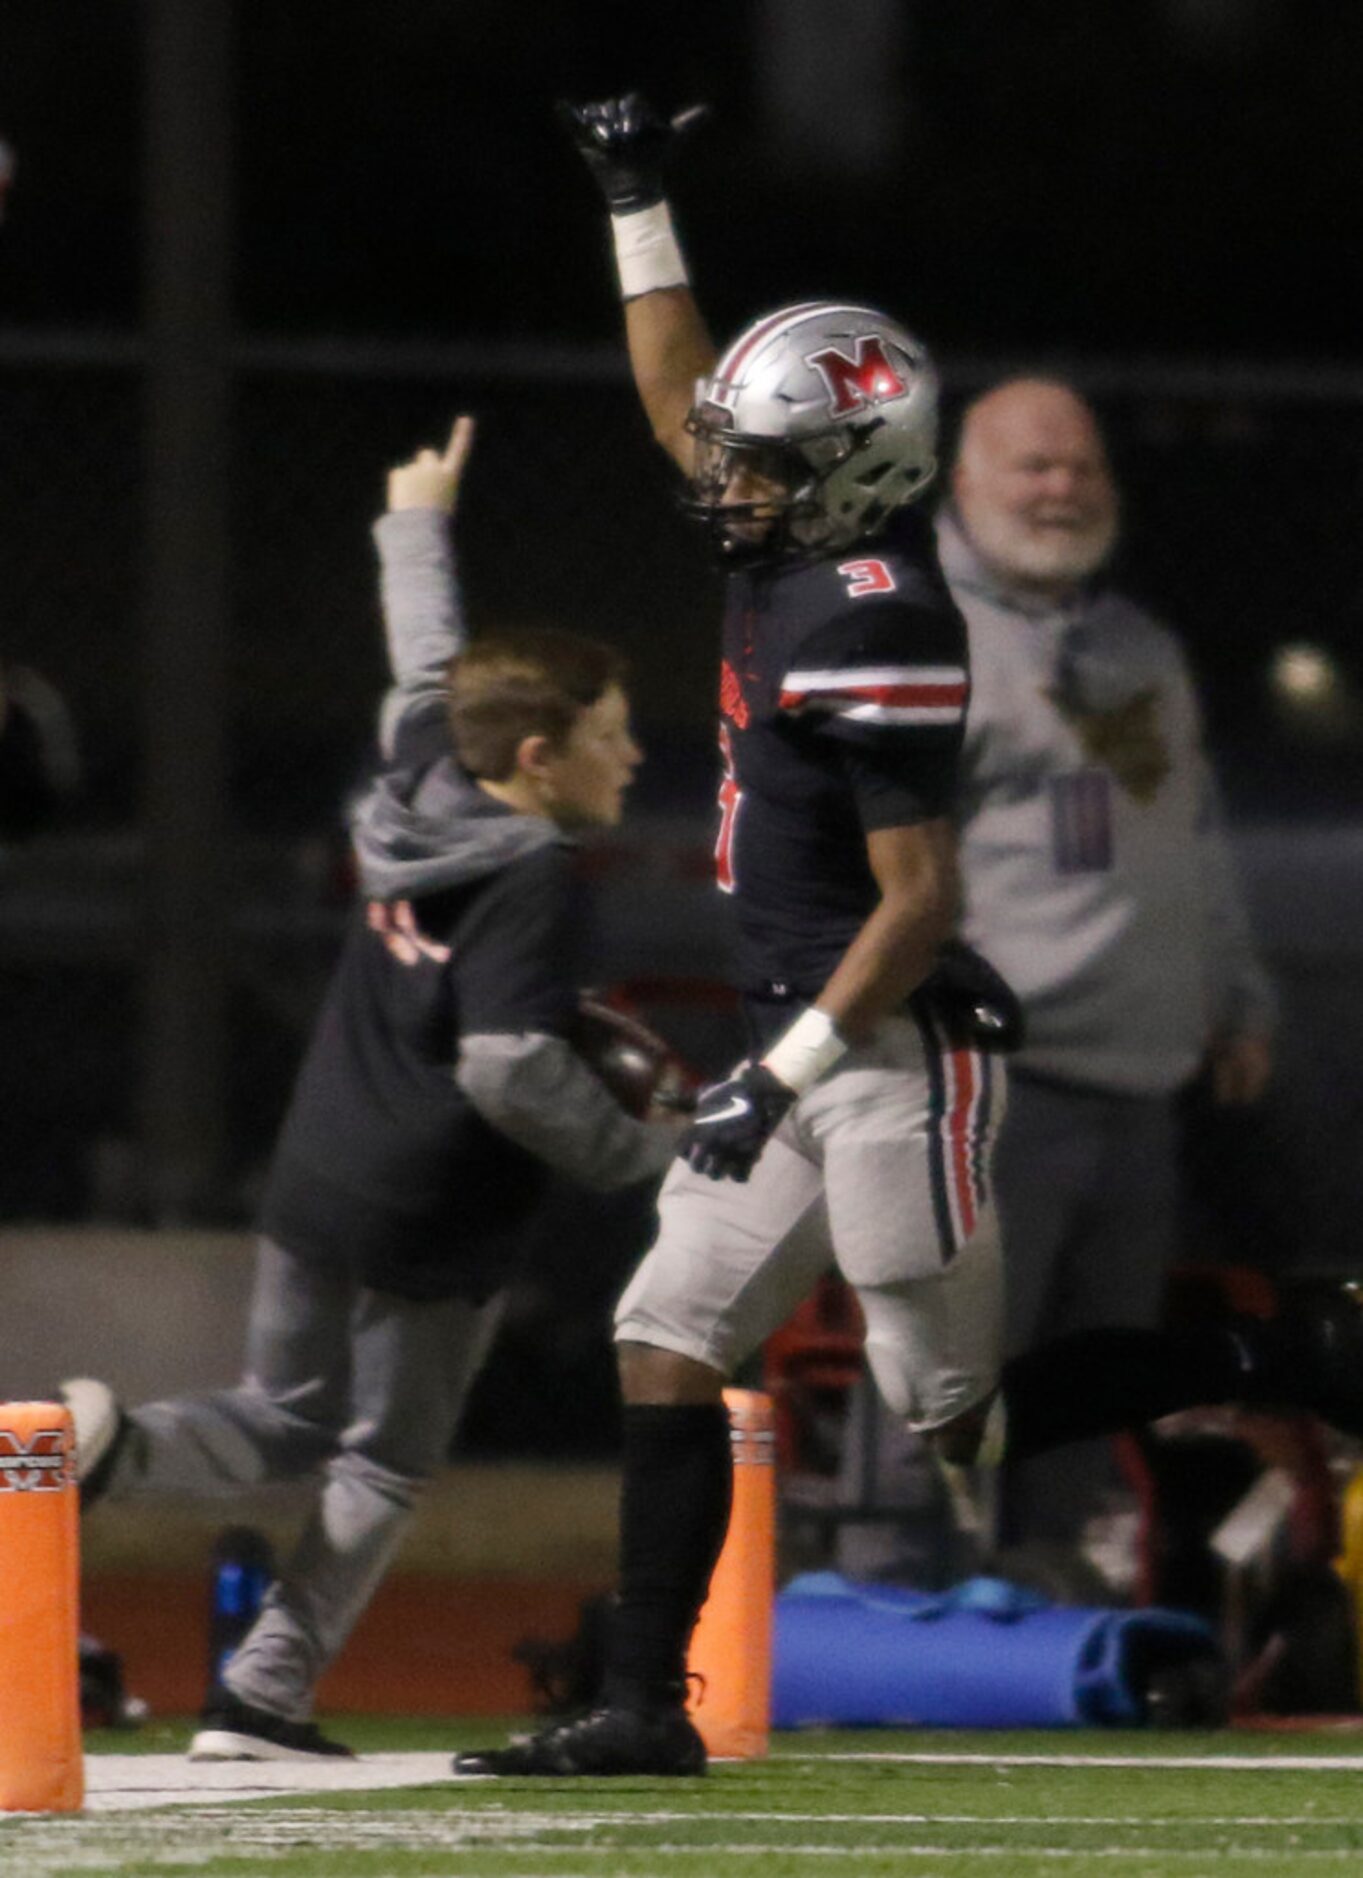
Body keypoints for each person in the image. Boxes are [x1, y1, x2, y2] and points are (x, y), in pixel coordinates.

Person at [455, 91, 1026, 1780]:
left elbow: (921, 906)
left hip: (879, 1042)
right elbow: (670, 393)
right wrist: (638, 200)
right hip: (794, 1037)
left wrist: (771, 1075)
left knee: (935, 1397)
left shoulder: (882, 615)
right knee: (663, 1330)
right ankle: (644, 1702)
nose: (723, 485)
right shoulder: (797, 534)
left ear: (852, 473)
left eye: (763, 467)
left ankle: (1177, 1388)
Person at [62, 415, 680, 1762]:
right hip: (429, 1210)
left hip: (318, 1163)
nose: (631, 758)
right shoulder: (530, 873)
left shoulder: (417, 770)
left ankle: (100, 1451)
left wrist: (415, 517)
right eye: (612, 735)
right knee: (382, 1461)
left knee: (282, 1413)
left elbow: (423, 656)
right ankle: (262, 1694)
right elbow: (509, 1066)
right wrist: (649, 1155)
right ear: (537, 759)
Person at [839, 378, 1279, 1575]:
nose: (1061, 489)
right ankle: (890, 1594)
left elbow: (1194, 834)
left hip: (1136, 1077)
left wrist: (1235, 995)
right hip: (988, 1077)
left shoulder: (1135, 644)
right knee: (948, 1352)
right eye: (1032, 467)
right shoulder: (918, 634)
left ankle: (1035, 1602)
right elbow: (857, 855)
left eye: (1080, 467)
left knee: (1092, 1365)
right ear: (961, 483)